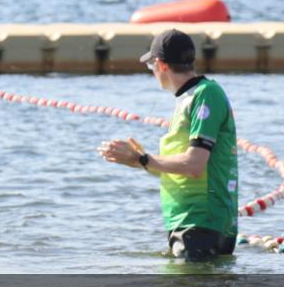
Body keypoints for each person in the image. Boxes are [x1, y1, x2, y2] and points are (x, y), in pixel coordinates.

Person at [98, 29, 238, 261]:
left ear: (161, 65)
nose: (152, 73)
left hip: (199, 222)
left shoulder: (205, 94)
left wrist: (143, 159)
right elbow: (180, 167)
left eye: (150, 66)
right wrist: (137, 159)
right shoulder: (190, 97)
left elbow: (194, 165)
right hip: (191, 222)